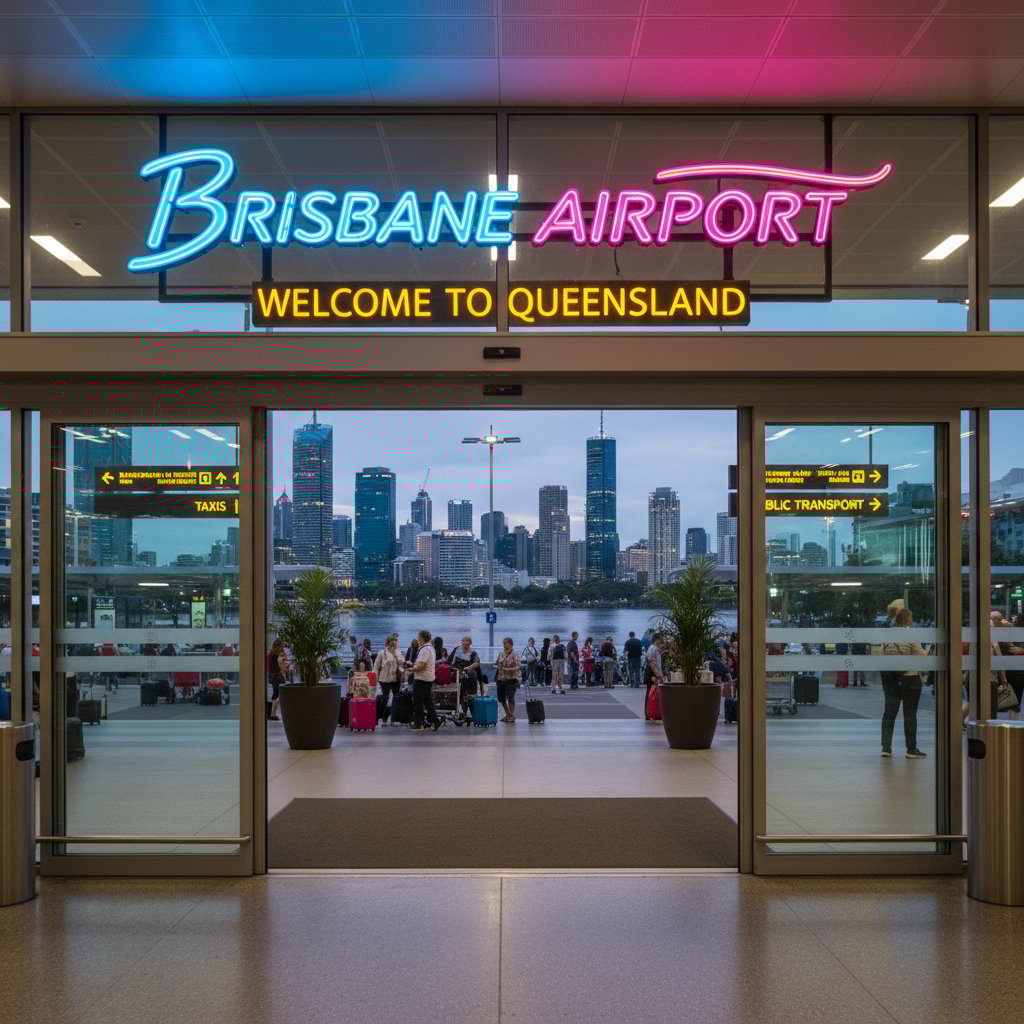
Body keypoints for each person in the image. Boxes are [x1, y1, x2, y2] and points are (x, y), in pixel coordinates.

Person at [881, 607, 927, 758]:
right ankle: (911, 749)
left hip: (890, 678)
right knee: (910, 714)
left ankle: (886, 748)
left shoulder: (888, 635)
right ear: (907, 619)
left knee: (889, 713)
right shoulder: (911, 635)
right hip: (909, 678)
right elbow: (920, 656)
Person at [409, 629, 441, 731]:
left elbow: (421, 666)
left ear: (422, 639)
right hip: (429, 678)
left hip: (422, 679)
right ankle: (436, 721)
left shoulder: (424, 650)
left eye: (419, 639)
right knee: (428, 700)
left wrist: (411, 669)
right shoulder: (431, 648)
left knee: (417, 701)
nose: (418, 641)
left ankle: (418, 724)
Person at [373, 635, 402, 725]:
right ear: (388, 643)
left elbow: (402, 664)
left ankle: (393, 719)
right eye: (393, 641)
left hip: (395, 679)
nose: (395, 643)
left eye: (396, 641)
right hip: (384, 679)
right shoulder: (382, 653)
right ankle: (383, 718)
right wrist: (374, 679)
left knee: (396, 698)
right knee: (385, 698)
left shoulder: (398, 653)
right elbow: (376, 667)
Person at [450, 635, 483, 711]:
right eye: (463, 644)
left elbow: (477, 663)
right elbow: (452, 661)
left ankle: (473, 713)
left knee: (471, 696)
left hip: (470, 676)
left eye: (467, 644)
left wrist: (468, 668)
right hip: (459, 676)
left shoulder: (473, 653)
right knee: (460, 695)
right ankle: (462, 712)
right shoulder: (457, 650)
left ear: (470, 644)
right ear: (461, 643)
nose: (465, 646)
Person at [495, 637, 520, 723]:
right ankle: (508, 714)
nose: (504, 644)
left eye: (506, 643)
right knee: (501, 698)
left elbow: (517, 667)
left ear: (511, 644)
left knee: (510, 697)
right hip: (500, 678)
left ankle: (512, 715)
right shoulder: (501, 653)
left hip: (511, 679)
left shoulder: (515, 653)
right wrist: (496, 666)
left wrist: (507, 669)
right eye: (503, 643)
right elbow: (497, 663)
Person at [644, 632, 665, 722]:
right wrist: (657, 674)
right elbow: (651, 662)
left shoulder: (656, 648)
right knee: (650, 693)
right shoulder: (653, 648)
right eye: (661, 638)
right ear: (657, 639)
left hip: (655, 673)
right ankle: (649, 713)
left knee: (654, 693)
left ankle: (654, 712)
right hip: (652, 674)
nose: (662, 640)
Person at [266, 637, 287, 721]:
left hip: (272, 675)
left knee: (275, 693)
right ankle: (272, 714)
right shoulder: (278, 654)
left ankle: (270, 714)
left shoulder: (271, 653)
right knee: (278, 694)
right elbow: (283, 665)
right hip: (277, 675)